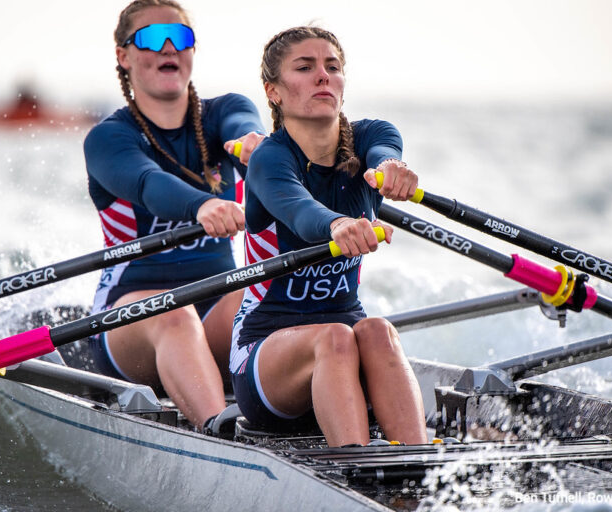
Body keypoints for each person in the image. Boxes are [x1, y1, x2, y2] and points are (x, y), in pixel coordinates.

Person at [230, 26, 428, 447]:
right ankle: (356, 467)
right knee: (336, 336)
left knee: (376, 329)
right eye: (305, 68)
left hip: (347, 344)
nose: (323, 76)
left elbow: (384, 153)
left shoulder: (373, 135)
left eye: (332, 67)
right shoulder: (269, 158)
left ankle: (418, 463)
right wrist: (339, 225)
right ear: (275, 92)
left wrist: (391, 171)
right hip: (265, 355)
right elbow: (301, 211)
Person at [82, 0, 265, 431]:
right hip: (130, 319)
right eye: (150, 37)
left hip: (217, 307)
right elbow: (147, 183)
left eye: (180, 37)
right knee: (175, 314)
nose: (168, 46)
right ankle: (218, 429)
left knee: (272, 287)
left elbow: (244, 126)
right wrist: (202, 205)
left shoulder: (224, 114)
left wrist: (256, 149)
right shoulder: (109, 138)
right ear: (123, 56)